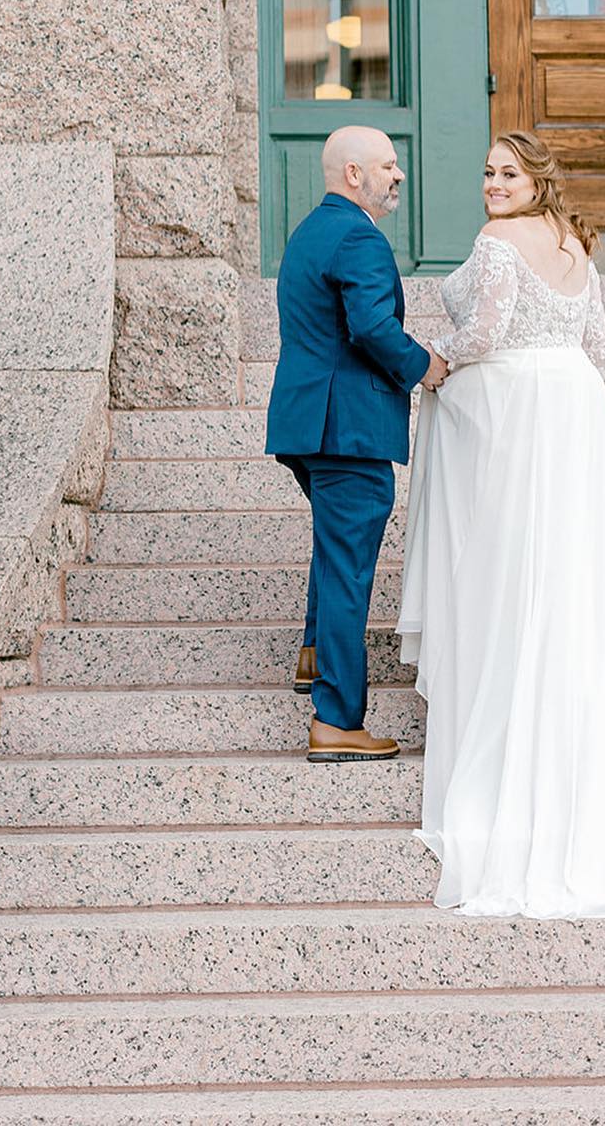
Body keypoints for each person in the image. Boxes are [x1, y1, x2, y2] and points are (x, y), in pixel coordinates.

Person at [398, 130, 605, 915]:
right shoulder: (573, 243)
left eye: (507, 173)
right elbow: (597, 344)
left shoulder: (499, 241)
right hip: (573, 407)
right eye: (485, 173)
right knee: (573, 572)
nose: (492, 184)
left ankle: (509, 725)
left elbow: (484, 333)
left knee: (518, 569)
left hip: (519, 411)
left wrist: (429, 359)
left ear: (537, 179)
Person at [265, 126, 448, 763]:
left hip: (309, 425)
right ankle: (337, 720)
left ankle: (315, 656)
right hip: (347, 429)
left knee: (333, 547)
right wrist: (424, 364)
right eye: (388, 166)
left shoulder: (311, 232)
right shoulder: (359, 237)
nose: (398, 176)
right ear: (352, 173)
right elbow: (371, 325)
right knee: (349, 566)